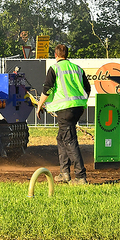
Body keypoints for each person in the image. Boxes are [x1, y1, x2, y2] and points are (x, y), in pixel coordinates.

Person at [36, 44, 91, 185]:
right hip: (78, 108)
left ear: (55, 55)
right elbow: (88, 88)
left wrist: (39, 105)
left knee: (69, 140)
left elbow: (47, 89)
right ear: (66, 54)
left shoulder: (54, 68)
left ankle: (80, 177)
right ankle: (64, 173)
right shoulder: (77, 69)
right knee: (61, 138)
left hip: (65, 110)